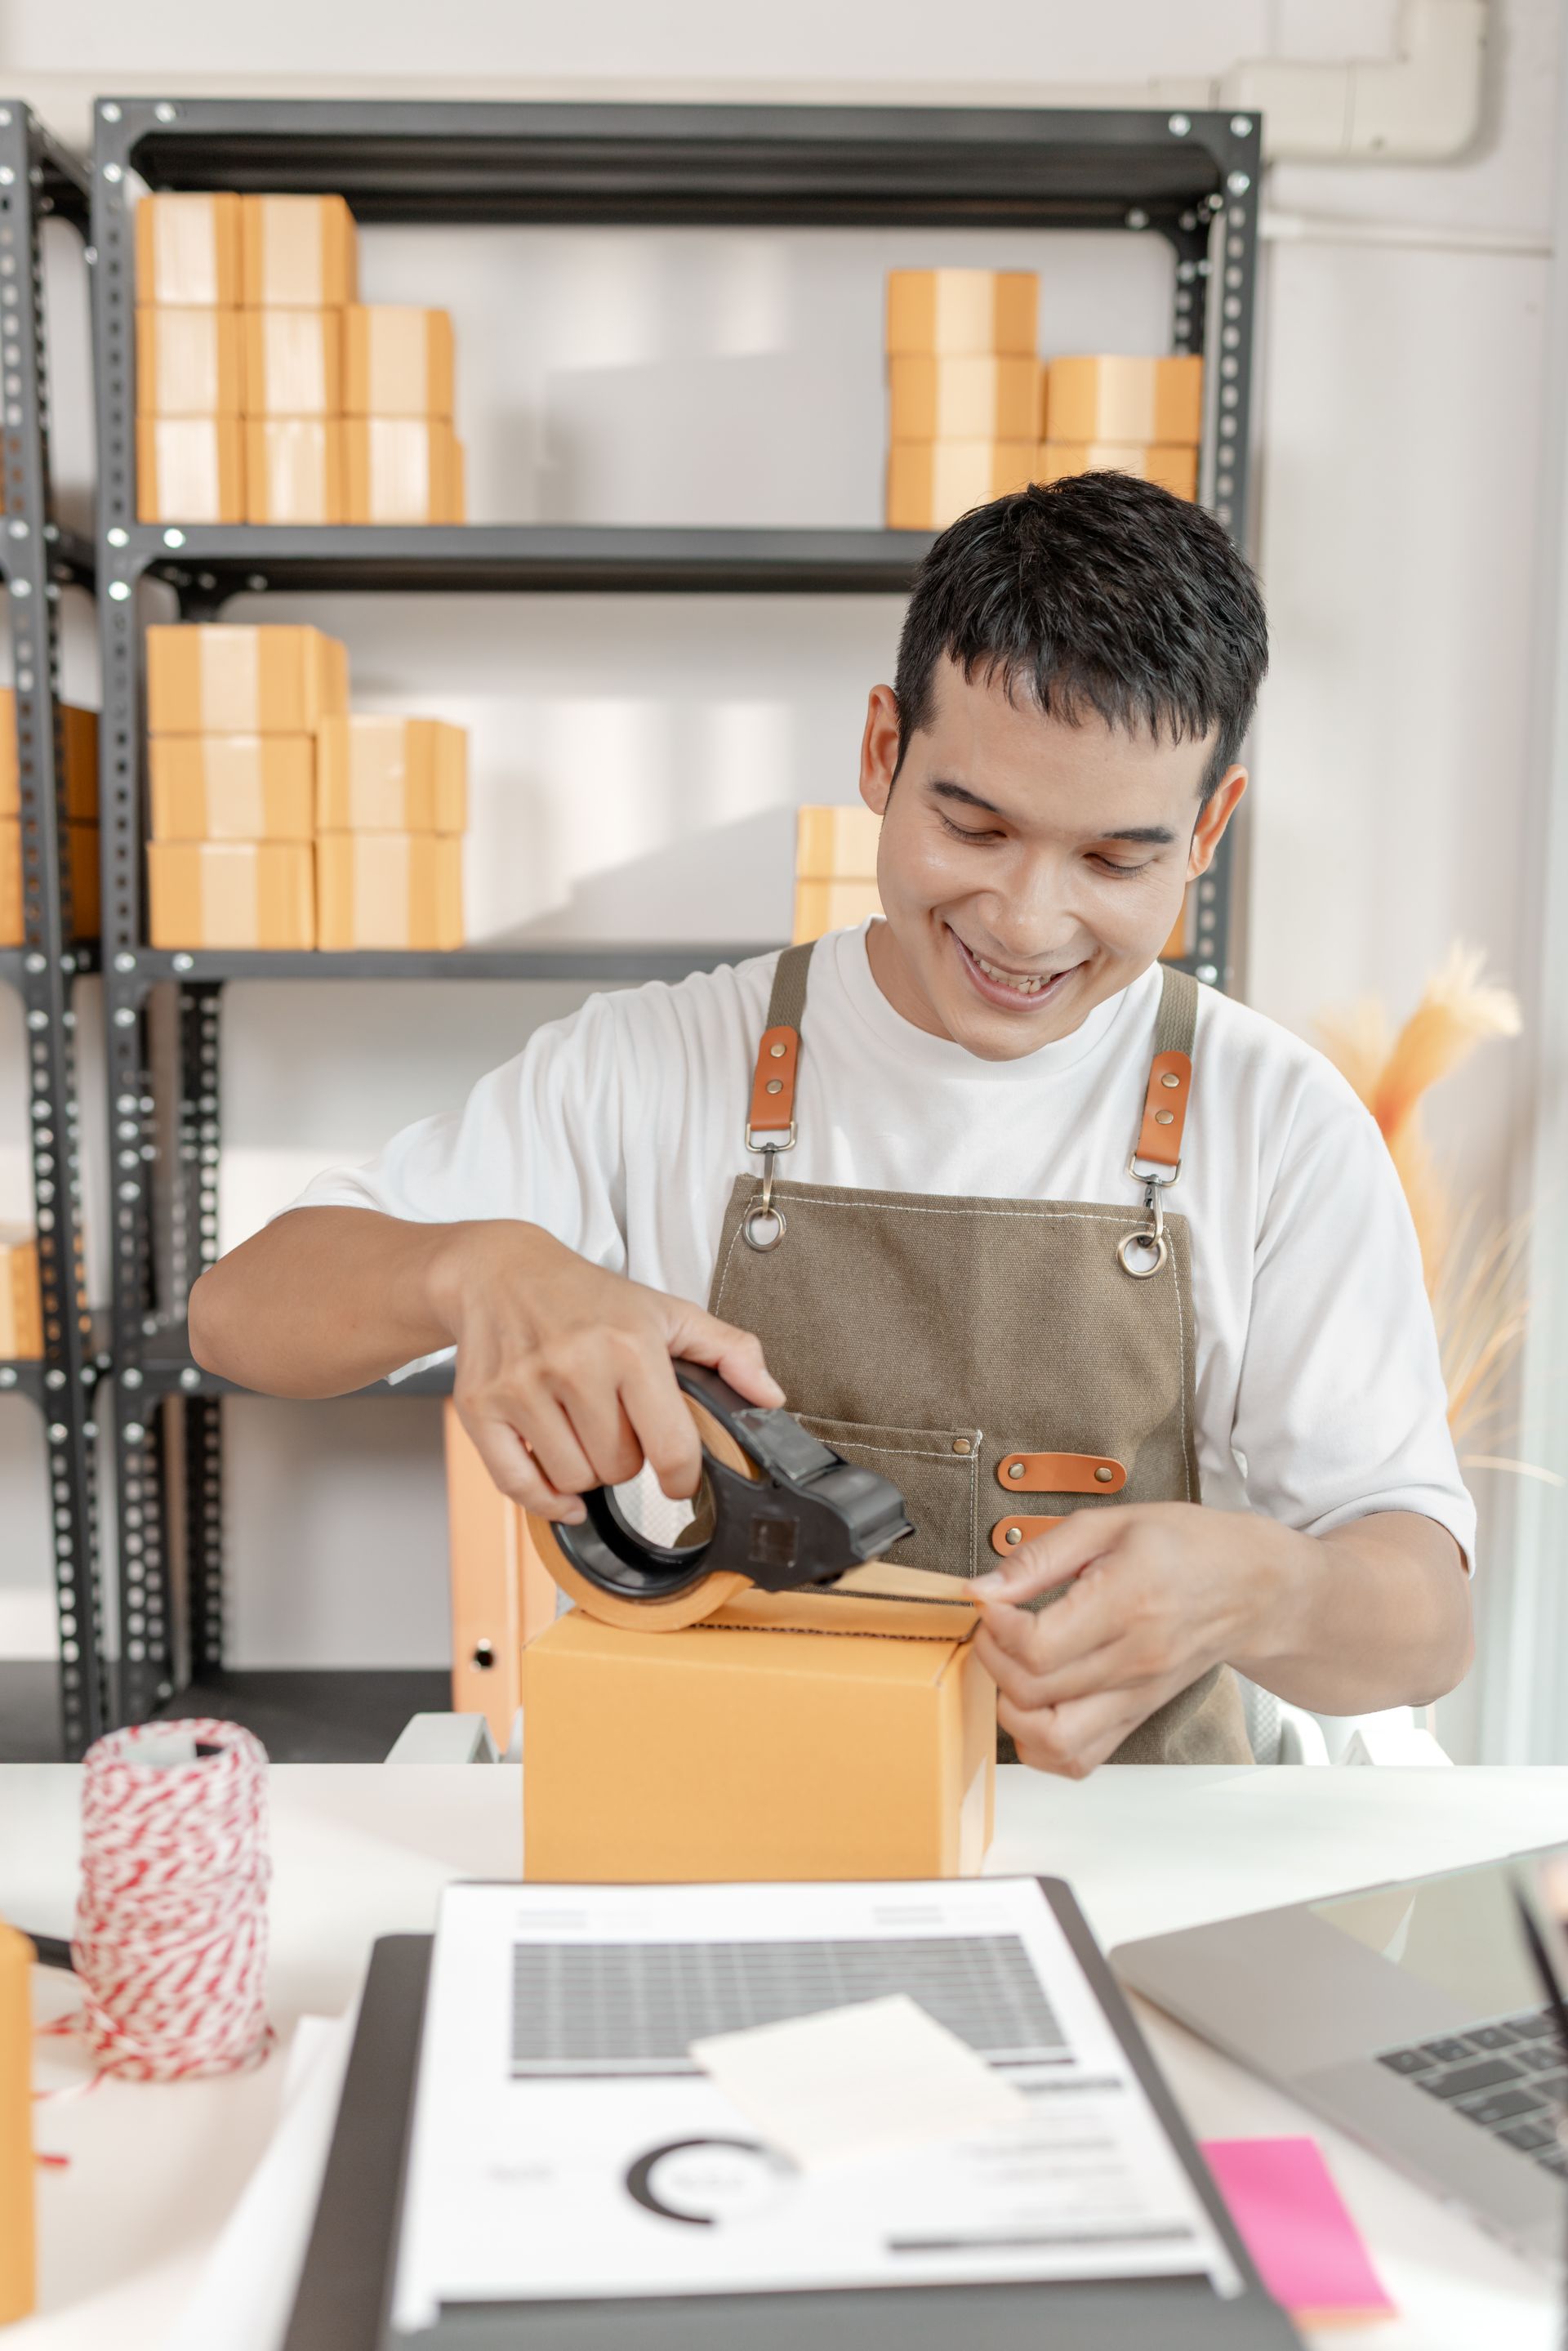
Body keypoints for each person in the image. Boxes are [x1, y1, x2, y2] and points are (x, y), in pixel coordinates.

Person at [189, 475, 1474, 1773]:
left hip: (1127, 1861)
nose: (1028, 922)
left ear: (1207, 828)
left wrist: (1274, 1588)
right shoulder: (659, 1062)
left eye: (1115, 861)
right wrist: (469, 1268)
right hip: (729, 1838)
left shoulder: (1280, 1122)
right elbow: (240, 1313)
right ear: (880, 752)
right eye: (974, 824)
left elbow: (1427, 1617)